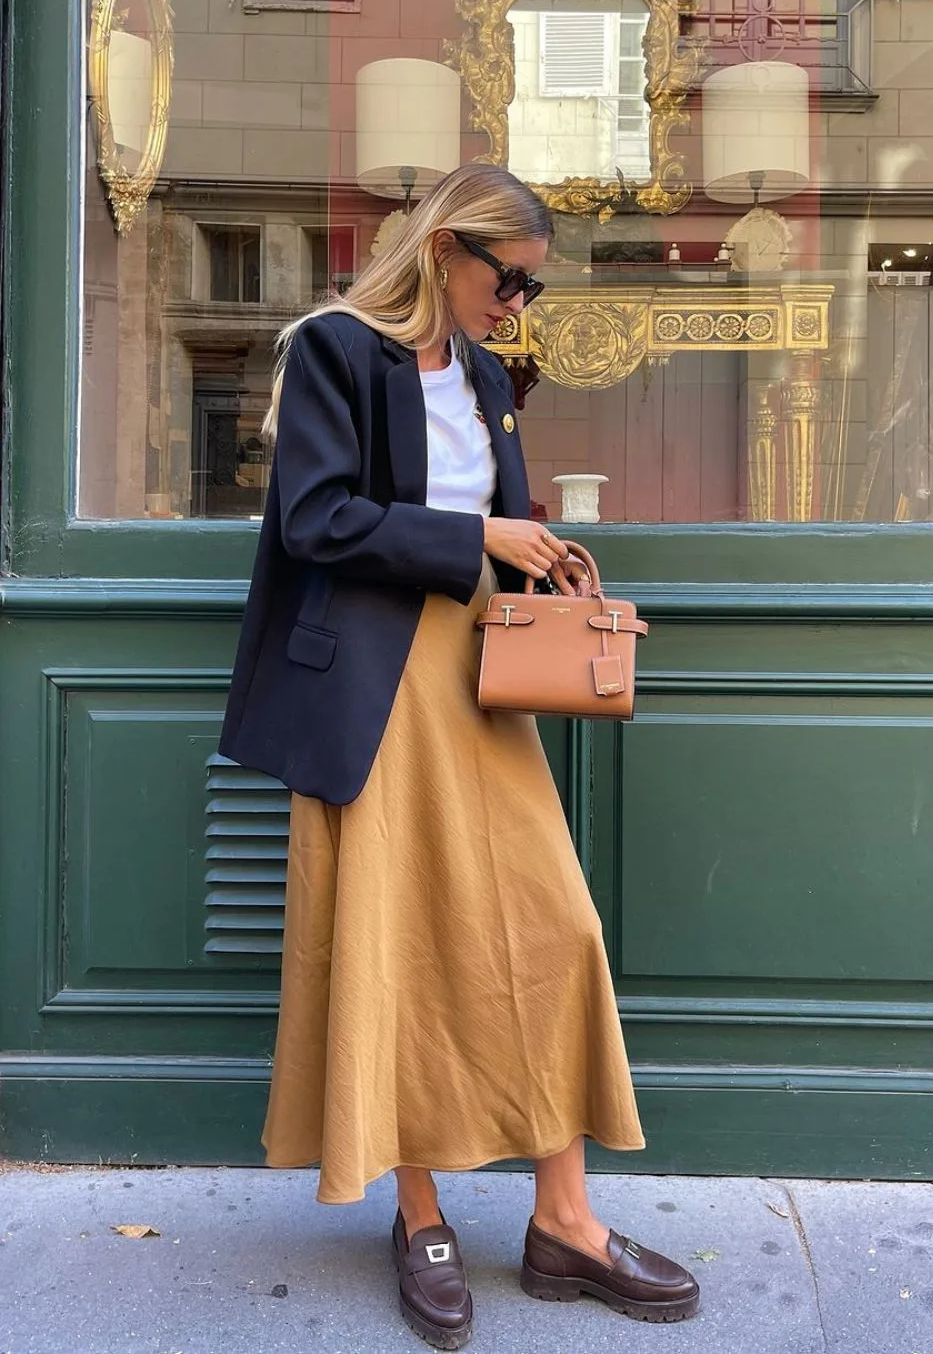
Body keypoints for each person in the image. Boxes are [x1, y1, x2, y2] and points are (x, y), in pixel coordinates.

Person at [220, 163, 699, 1348]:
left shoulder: (488, 376)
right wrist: (475, 532)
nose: (519, 306)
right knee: (402, 943)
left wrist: (533, 552)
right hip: (373, 687)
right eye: (512, 278)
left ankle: (564, 1223)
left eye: (533, 287)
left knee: (553, 930)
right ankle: (420, 1216)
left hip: (481, 677)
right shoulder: (334, 348)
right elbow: (313, 518)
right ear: (447, 250)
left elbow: (492, 515)